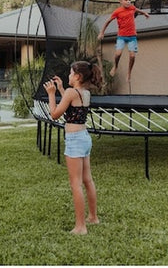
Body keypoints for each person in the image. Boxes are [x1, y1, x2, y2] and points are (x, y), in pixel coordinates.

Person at [44, 61, 102, 235]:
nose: (68, 76)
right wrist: (61, 88)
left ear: (77, 76)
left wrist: (52, 94)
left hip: (75, 140)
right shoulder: (84, 93)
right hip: (84, 138)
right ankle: (93, 217)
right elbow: (71, 107)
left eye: (70, 73)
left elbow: (55, 114)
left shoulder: (71, 92)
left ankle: (80, 226)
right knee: (87, 180)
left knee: (75, 184)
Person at [97, 0, 150, 81]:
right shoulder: (117, 11)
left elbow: (137, 10)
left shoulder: (132, 8)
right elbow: (107, 22)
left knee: (132, 56)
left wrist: (144, 13)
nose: (128, 2)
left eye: (129, 0)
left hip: (132, 36)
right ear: (121, 1)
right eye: (126, 0)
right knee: (118, 53)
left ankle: (129, 72)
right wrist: (102, 33)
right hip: (121, 36)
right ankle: (115, 66)